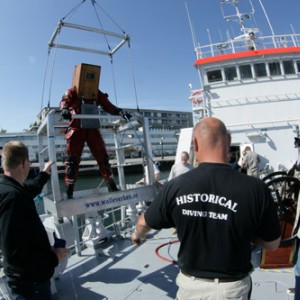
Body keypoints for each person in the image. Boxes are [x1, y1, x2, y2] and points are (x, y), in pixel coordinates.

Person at [132, 117, 281, 300]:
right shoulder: (256, 189)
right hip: (232, 290)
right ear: (228, 140)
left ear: (195, 143)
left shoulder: (176, 186)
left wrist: (137, 235)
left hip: (189, 288)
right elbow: (272, 244)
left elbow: (145, 222)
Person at [0, 141, 68, 299]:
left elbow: (29, 188)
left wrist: (44, 173)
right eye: (29, 162)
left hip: (23, 280)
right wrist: (54, 257)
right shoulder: (14, 197)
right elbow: (16, 253)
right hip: (31, 285)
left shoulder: (8, 188)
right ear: (24, 162)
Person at [60, 63, 131, 198]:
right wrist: (64, 109)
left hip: (92, 129)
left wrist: (120, 112)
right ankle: (70, 190)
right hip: (77, 129)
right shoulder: (72, 91)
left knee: (103, 158)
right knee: (73, 161)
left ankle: (110, 183)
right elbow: (64, 101)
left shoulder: (96, 93)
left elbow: (108, 105)